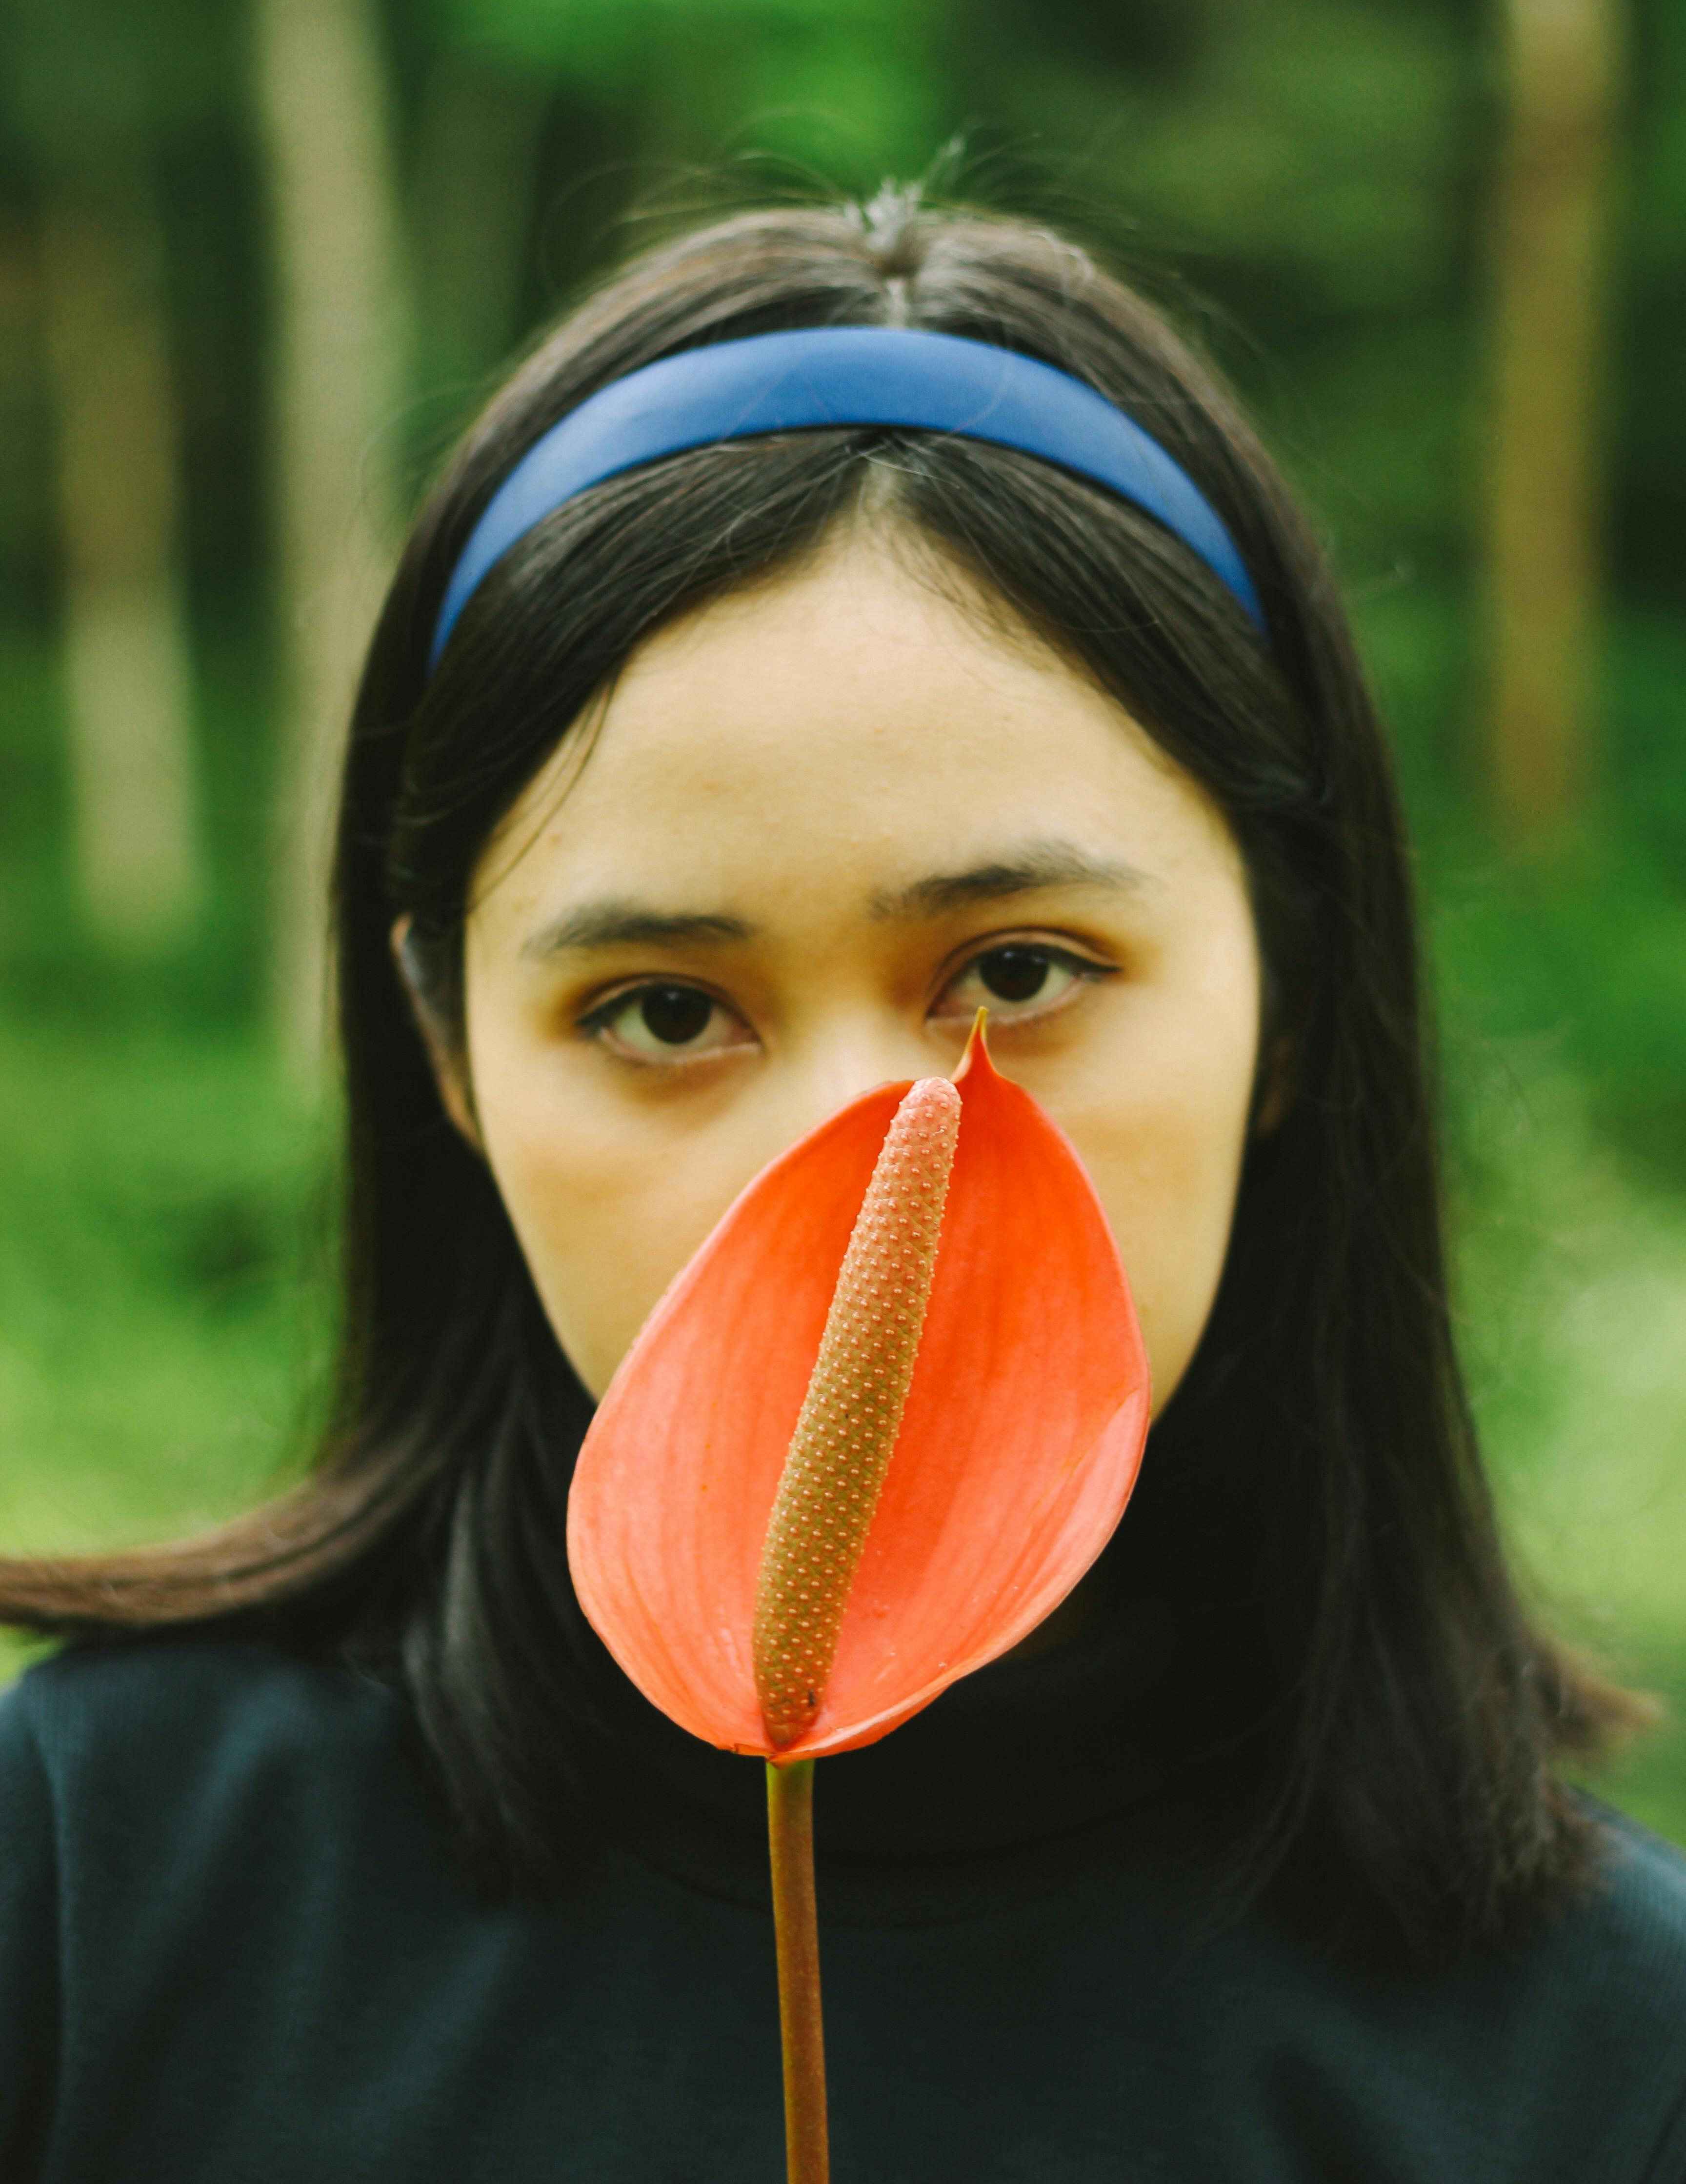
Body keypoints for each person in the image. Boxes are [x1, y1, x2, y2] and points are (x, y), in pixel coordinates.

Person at [2, 190, 1684, 2182]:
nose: (855, 1155)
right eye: (657, 1008)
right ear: (447, 1058)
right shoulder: (95, 1885)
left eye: (1017, 977)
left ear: (1294, 1004)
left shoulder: (1606, 2063)